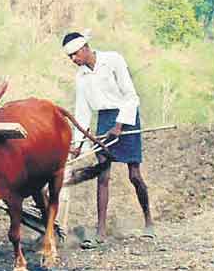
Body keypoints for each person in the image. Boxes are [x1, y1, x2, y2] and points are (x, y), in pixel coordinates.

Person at [62, 31, 153, 247]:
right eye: (70, 57)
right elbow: (82, 112)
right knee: (102, 176)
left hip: (127, 116)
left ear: (85, 48)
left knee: (134, 175)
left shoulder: (113, 60)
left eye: (75, 54)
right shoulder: (81, 76)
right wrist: (78, 144)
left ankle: (148, 220)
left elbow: (131, 96)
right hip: (104, 120)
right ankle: (100, 231)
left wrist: (120, 126)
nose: (74, 60)